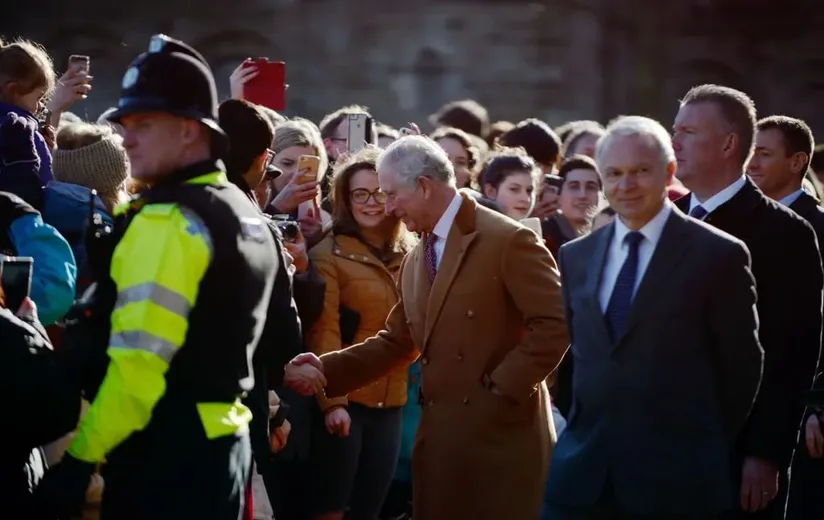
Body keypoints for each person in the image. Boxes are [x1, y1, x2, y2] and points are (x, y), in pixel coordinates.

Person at [34, 34, 278, 520]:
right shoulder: (239, 209)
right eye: (125, 124)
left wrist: (81, 458)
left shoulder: (168, 221)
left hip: (165, 458)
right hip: (224, 449)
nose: (126, 138)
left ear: (190, 130)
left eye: (143, 124)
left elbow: (138, 370)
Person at [285, 135, 569, 520]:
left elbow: (555, 323)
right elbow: (399, 340)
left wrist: (502, 389)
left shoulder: (508, 239)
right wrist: (326, 369)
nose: (386, 206)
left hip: (501, 440)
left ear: (423, 186)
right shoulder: (419, 255)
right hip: (442, 446)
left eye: (390, 193)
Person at [542, 115, 763, 519]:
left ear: (669, 172)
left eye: (641, 171)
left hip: (677, 484)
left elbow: (742, 370)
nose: (626, 185)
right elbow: (586, 358)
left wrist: (697, 442)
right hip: (580, 480)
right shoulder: (577, 256)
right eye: (614, 173)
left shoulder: (718, 255)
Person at [672, 84, 823, 518]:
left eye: (688, 131)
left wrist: (767, 453)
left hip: (735, 453)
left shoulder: (786, 233)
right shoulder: (666, 221)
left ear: (728, 143)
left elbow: (792, 352)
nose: (675, 142)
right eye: (674, 129)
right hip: (659, 449)